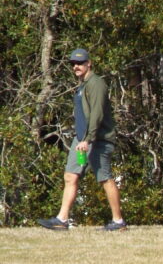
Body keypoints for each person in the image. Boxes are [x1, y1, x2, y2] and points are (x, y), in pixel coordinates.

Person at [38, 48, 126, 232]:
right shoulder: (83, 85)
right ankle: (61, 220)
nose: (76, 67)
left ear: (89, 63)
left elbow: (97, 114)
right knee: (71, 175)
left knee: (104, 178)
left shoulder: (96, 84)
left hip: (96, 141)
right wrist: (81, 139)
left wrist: (88, 138)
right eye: (73, 64)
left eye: (80, 63)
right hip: (81, 141)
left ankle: (118, 222)